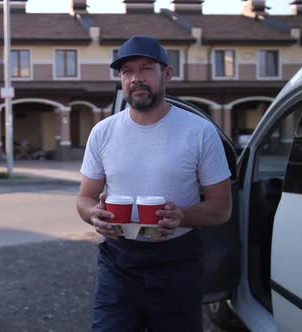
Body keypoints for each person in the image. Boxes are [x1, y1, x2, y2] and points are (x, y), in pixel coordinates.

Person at [76, 35, 232, 331]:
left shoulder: (199, 132)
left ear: (167, 74)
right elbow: (84, 198)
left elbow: (221, 208)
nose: (136, 78)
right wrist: (92, 214)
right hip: (118, 261)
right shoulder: (102, 132)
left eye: (146, 68)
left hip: (177, 262)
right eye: (127, 71)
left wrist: (182, 216)